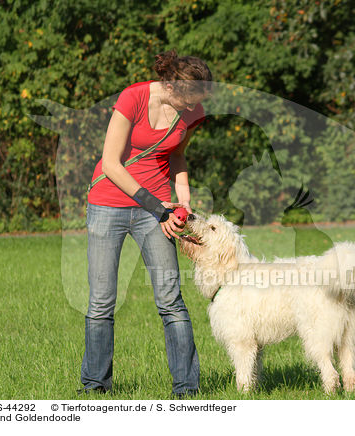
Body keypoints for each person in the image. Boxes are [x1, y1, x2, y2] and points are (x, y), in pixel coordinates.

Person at [79, 49, 212, 398]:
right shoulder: (133, 97)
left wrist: (182, 203)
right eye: (186, 100)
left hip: (159, 208)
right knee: (102, 301)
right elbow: (111, 163)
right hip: (109, 204)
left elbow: (178, 154)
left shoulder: (192, 108)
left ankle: (187, 389)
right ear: (170, 85)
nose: (190, 108)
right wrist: (159, 208)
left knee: (171, 299)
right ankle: (95, 386)